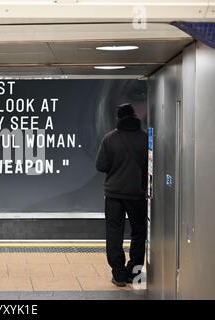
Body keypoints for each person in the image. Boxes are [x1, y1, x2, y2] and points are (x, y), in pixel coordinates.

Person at [95, 103, 148, 287]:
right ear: (134, 116)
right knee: (139, 232)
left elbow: (100, 166)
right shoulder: (145, 139)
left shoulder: (109, 139)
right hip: (137, 195)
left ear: (118, 118)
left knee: (114, 233)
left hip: (114, 194)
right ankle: (134, 272)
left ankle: (118, 274)